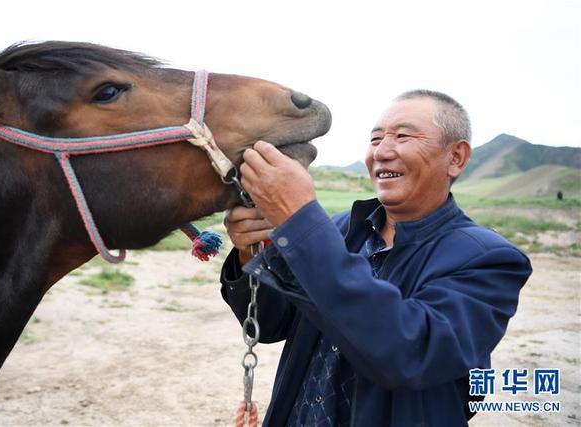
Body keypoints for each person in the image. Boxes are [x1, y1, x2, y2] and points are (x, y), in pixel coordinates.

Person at [220, 90, 532, 427]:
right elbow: (269, 324)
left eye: (402, 136)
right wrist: (254, 249)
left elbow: (409, 353)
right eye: (376, 138)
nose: (382, 152)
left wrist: (301, 224)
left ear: (455, 157)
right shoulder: (335, 230)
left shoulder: (490, 259)